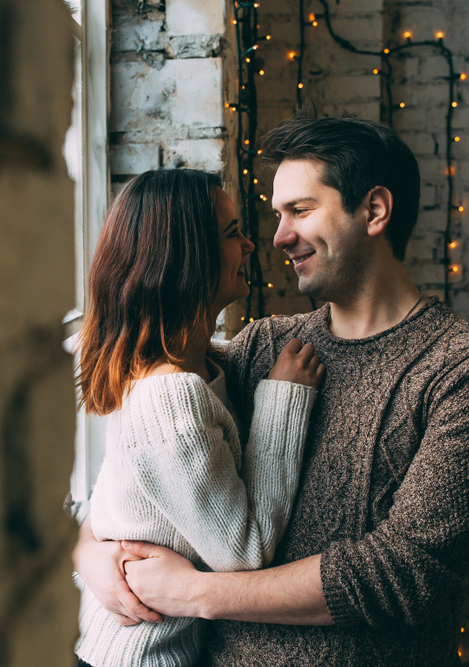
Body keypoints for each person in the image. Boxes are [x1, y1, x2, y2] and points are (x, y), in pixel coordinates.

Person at [73, 116, 469, 666]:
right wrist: (94, 555)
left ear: (375, 211)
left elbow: (403, 572)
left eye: (301, 211)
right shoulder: (260, 347)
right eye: (277, 215)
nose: (278, 237)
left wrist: (189, 593)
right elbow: (141, 476)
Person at [73, 169, 324, 667]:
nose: (251, 245)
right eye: (232, 234)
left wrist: (86, 552)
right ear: (187, 259)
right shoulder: (168, 398)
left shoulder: (200, 368)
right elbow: (244, 550)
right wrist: (283, 402)